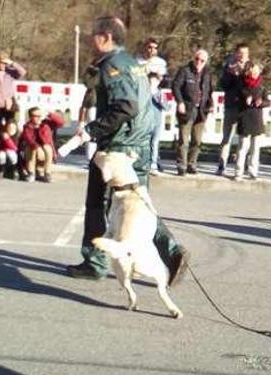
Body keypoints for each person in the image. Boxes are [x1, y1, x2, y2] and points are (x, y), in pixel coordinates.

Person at [65, 15, 189, 284]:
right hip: (139, 146)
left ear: (106, 37)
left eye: (93, 34)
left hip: (118, 149)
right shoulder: (133, 63)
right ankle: (172, 253)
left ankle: (95, 262)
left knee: (97, 204)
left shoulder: (114, 65)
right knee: (140, 205)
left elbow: (126, 105)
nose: (89, 39)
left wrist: (91, 130)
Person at [171, 48, 213, 176]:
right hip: (187, 109)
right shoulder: (185, 70)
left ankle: (191, 164)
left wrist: (211, 104)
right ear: (193, 58)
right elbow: (175, 86)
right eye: (197, 59)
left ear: (206, 62)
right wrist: (180, 102)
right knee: (183, 140)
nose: (199, 62)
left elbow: (210, 90)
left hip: (201, 111)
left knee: (197, 140)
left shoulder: (207, 73)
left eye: (202, 60)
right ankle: (181, 165)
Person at [217, 43, 249, 175]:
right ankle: (221, 165)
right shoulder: (229, 66)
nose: (242, 56)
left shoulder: (251, 67)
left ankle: (241, 166)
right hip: (231, 105)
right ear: (236, 54)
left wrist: (243, 74)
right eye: (240, 53)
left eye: (245, 53)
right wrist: (231, 74)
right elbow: (223, 85)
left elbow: (255, 85)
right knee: (227, 137)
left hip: (245, 108)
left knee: (244, 138)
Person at [234, 62, 269, 181]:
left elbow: (267, 101)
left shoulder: (262, 86)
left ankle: (253, 171)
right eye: (252, 71)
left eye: (256, 71)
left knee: (255, 148)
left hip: (257, 119)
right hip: (244, 117)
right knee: (243, 146)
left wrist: (261, 103)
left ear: (259, 72)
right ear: (249, 71)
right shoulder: (242, 84)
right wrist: (245, 99)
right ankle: (238, 171)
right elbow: (237, 99)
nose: (254, 73)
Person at [19, 108, 64, 183]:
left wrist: (51, 115)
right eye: (36, 116)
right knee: (32, 148)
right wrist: (38, 148)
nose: (38, 118)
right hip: (32, 153)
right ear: (30, 117)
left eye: (40, 115)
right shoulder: (27, 127)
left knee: (48, 147)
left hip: (45, 153)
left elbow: (61, 123)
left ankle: (47, 173)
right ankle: (31, 173)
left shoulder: (46, 124)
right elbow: (29, 140)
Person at [0, 51, 26, 128]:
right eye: (0, 62)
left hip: (9, 104)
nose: (2, 65)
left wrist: (11, 63)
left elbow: (22, 72)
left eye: (4, 63)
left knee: (10, 125)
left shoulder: (10, 72)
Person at [146, 72, 168, 175]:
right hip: (145, 121)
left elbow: (166, 107)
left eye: (155, 81)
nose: (152, 84)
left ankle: (153, 164)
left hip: (156, 121)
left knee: (154, 143)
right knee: (145, 142)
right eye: (151, 81)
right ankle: (144, 163)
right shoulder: (144, 92)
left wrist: (161, 101)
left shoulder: (160, 93)